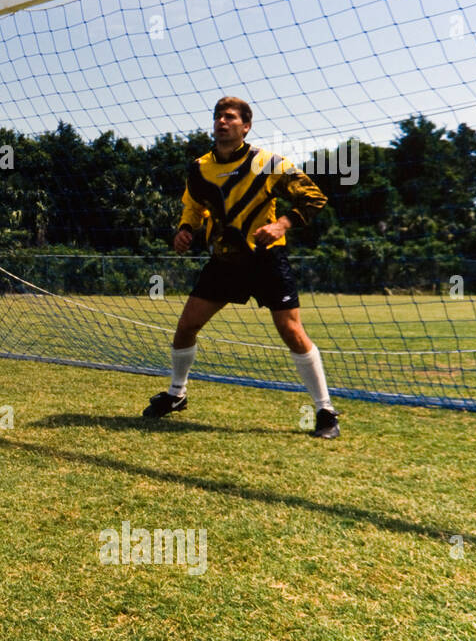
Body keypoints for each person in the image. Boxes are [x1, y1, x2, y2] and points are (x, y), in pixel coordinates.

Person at [143, 96, 340, 439]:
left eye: (231, 117)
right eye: (219, 116)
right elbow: (194, 207)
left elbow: (313, 198)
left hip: (267, 259)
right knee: (187, 325)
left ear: (246, 126)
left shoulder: (268, 162)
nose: (222, 121)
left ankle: (325, 411)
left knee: (291, 331)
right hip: (226, 260)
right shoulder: (199, 167)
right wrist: (185, 230)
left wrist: (280, 225)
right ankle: (177, 395)